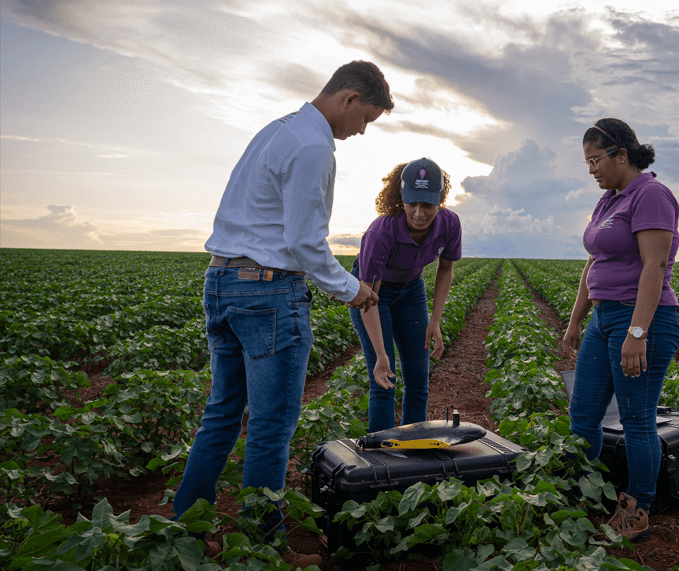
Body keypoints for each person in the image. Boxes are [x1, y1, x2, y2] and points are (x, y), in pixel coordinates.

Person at [172, 60, 393, 566]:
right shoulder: (315, 146)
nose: (360, 132)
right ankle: (265, 547)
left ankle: (183, 529)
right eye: (366, 120)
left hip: (222, 279)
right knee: (271, 427)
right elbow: (302, 242)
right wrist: (350, 288)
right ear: (350, 99)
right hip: (269, 292)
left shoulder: (277, 131)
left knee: (223, 414)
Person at [561, 118, 679, 543]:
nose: (592, 169)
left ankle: (638, 511)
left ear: (622, 155)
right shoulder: (609, 200)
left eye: (596, 160)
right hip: (603, 318)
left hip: (644, 319)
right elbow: (594, 263)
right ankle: (584, 492)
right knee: (583, 415)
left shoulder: (651, 195)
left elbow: (655, 265)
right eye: (587, 162)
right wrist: (577, 319)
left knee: (636, 420)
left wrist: (638, 332)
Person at [350, 157, 462, 432]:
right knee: (384, 378)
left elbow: (445, 269)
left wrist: (434, 320)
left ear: (441, 199)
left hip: (411, 290)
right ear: (401, 199)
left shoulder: (449, 224)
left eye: (428, 204)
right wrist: (380, 353)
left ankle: (412, 453)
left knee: (418, 380)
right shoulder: (381, 232)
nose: (420, 213)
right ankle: (383, 457)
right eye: (413, 203)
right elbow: (368, 299)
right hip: (374, 294)